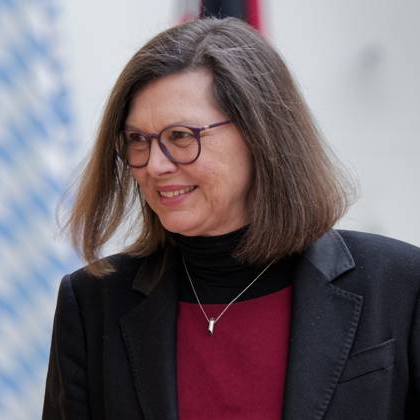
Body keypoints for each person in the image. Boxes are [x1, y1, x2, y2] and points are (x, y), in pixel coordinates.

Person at [42, 17, 420, 419]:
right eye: (138, 141)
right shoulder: (92, 302)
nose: (154, 165)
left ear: (261, 135)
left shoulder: (399, 285)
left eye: (181, 137)